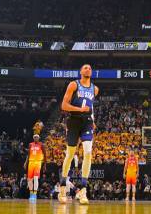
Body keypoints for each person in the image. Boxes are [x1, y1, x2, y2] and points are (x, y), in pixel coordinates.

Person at [58, 64, 99, 205]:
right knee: (70, 154)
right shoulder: (73, 85)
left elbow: (91, 106)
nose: (88, 69)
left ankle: (83, 190)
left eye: (90, 68)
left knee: (88, 152)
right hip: (74, 120)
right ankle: (63, 187)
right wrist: (80, 110)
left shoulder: (95, 89)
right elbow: (63, 106)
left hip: (87, 122)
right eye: (85, 68)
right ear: (80, 71)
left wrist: (92, 119)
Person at [24, 134, 46, 202]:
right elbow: (28, 154)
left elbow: (45, 155)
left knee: (36, 178)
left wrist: (45, 165)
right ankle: (31, 193)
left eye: (37, 137)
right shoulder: (30, 144)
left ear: (39, 138)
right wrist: (25, 162)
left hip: (38, 162)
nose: (36, 138)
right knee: (29, 179)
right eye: (34, 137)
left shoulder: (42, 145)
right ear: (33, 138)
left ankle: (35, 194)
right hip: (31, 162)